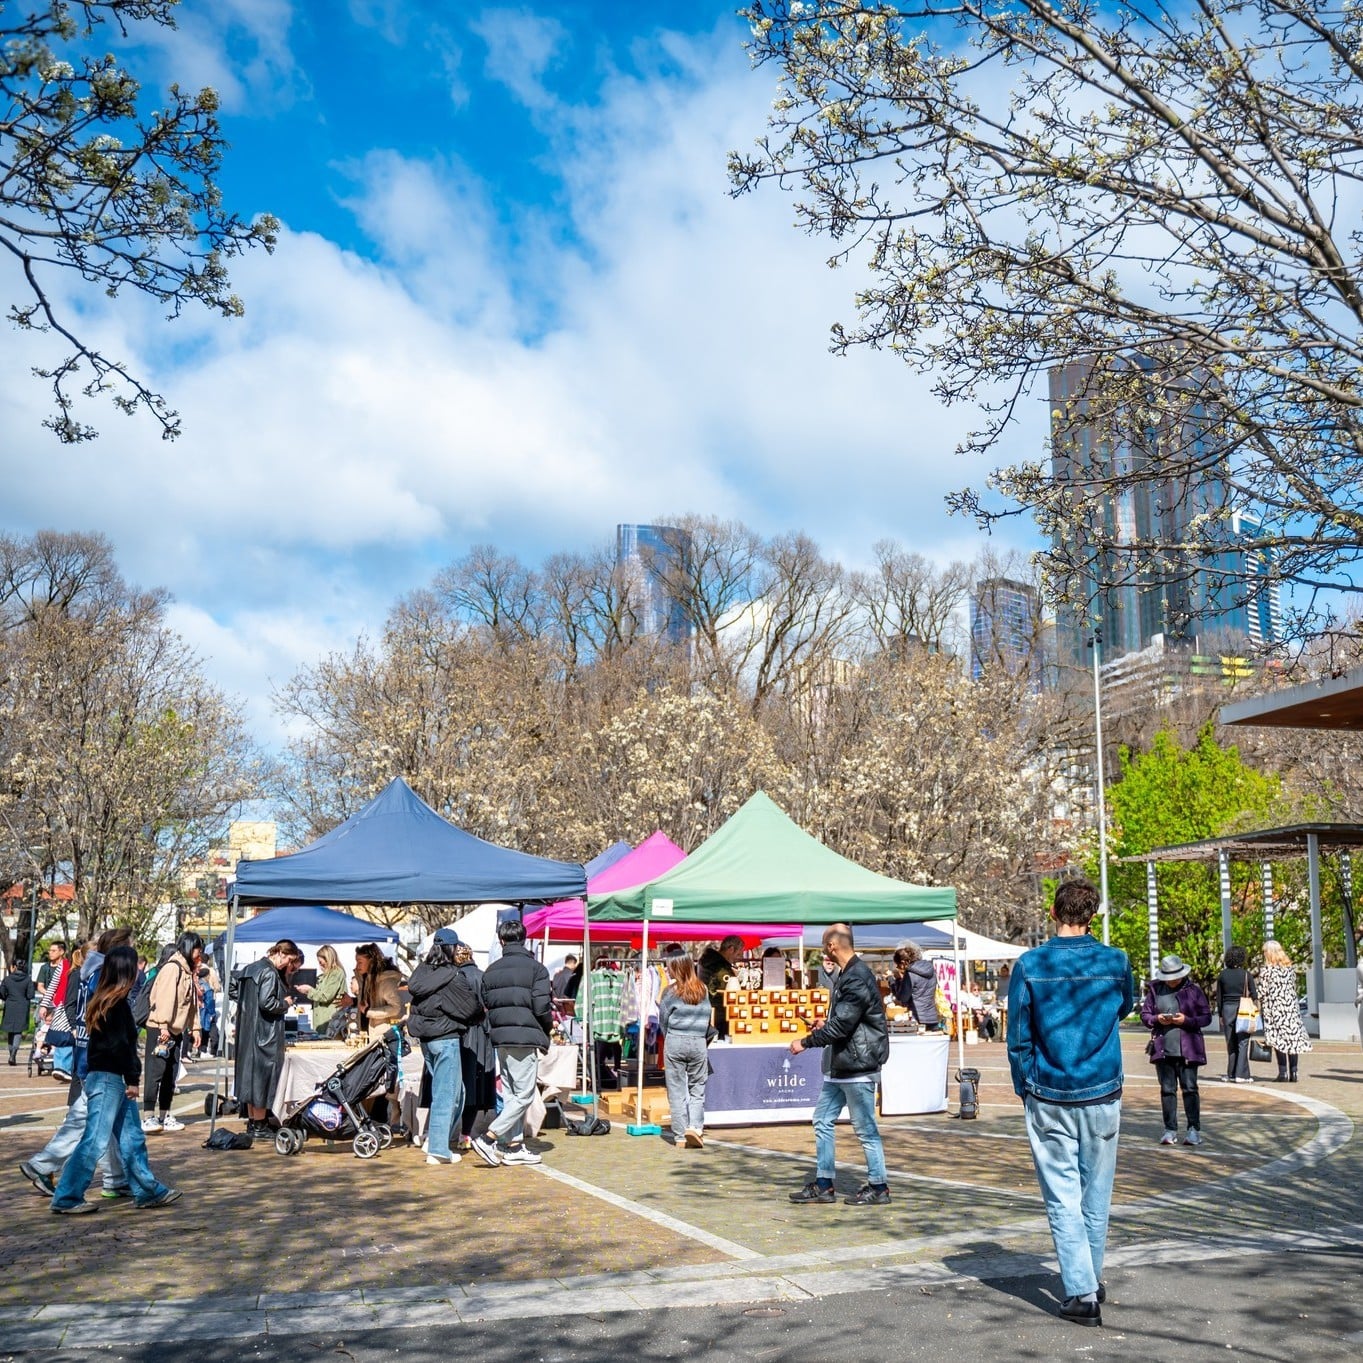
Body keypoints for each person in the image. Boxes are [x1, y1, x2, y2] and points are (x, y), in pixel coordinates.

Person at [1007, 878, 1134, 1327]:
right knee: (1095, 1194)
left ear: (1053, 911)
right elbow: (1123, 1008)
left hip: (1050, 1092)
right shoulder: (1116, 961)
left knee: (1063, 1196)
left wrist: (1025, 1085)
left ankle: (1082, 1291)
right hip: (1102, 1088)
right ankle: (1089, 1279)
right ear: (1092, 914)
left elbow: (1019, 1037)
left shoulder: (1030, 964)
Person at [50, 946, 180, 1213]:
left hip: (106, 1076)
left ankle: (147, 1190)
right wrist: (133, 1078)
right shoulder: (116, 1004)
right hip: (110, 1078)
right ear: (127, 970)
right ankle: (67, 1196)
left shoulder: (104, 999)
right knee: (95, 1140)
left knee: (132, 1137)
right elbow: (121, 1046)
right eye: (134, 967)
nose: (138, 972)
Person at [19, 928, 135, 1200]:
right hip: (98, 1060)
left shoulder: (89, 973)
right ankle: (45, 1167)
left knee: (98, 1120)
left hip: (91, 1057)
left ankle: (115, 1178)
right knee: (87, 1122)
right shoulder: (101, 976)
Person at [788, 923, 891, 1207]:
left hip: (857, 1067)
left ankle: (879, 1186)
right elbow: (847, 1021)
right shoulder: (849, 974)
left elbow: (844, 1026)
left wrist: (806, 1041)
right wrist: (825, 1024)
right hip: (841, 1065)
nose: (822, 950)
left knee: (865, 1129)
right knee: (822, 1119)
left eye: (824, 944)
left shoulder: (856, 977)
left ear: (832, 946)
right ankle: (824, 1184)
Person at [471, 918, 552, 1168]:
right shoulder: (537, 969)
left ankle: (514, 1145)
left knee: (511, 1095)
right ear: (524, 939)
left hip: (500, 1038)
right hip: (524, 1037)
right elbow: (542, 1006)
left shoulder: (491, 971)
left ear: (501, 940)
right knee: (524, 1094)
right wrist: (546, 1029)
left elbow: (486, 1004)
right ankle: (489, 1138)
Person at [407, 928, 484, 1166]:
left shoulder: (421, 972)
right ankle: (439, 1150)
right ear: (451, 949)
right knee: (447, 1094)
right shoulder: (452, 976)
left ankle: (435, 1139)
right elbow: (470, 1008)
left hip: (427, 1040)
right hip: (445, 1038)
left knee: (455, 1092)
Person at [1139, 953, 1212, 1146]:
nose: (1172, 981)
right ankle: (1170, 1129)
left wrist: (1186, 1021)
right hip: (1163, 1049)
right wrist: (1156, 1019)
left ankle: (1194, 1129)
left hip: (1188, 1049)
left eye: (1175, 977)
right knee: (1167, 1090)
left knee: (1190, 1088)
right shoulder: (1155, 990)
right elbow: (1145, 1015)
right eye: (1168, 978)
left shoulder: (1194, 991)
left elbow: (1206, 1017)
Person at [233, 939, 300, 1139]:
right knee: (261, 1079)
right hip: (265, 1033)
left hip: (248, 1031)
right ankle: (260, 1125)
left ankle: (255, 1122)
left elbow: (232, 989)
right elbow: (267, 1003)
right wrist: (285, 1003)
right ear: (279, 953)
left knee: (251, 1078)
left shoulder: (250, 969)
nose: (287, 965)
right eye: (288, 959)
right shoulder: (269, 972)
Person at [142, 932, 203, 1133]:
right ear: (188, 947)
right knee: (155, 1072)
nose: (199, 953)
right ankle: (148, 1115)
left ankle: (164, 1114)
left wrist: (195, 1028)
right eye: (197, 949)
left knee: (171, 1074)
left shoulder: (187, 971)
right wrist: (163, 1026)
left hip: (176, 1030)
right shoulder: (172, 968)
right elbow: (165, 999)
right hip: (161, 1028)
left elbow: (191, 1004)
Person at [658, 952, 712, 1148]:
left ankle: (680, 1136)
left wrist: (671, 1036)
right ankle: (696, 1128)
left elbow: (663, 1020)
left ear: (675, 968)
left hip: (675, 1041)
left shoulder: (669, 992)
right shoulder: (703, 989)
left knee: (676, 1090)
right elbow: (707, 1016)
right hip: (698, 1041)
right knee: (697, 1089)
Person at [454, 942, 496, 1152]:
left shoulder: (454, 977)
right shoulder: (482, 976)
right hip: (481, 1036)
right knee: (474, 1086)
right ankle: (466, 1134)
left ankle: (453, 1133)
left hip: (460, 1034)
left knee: (458, 1084)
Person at [1258, 940, 1311, 1082]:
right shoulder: (1290, 969)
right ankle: (1294, 1072)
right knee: (1292, 1039)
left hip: (1274, 1010)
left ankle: (1283, 1072)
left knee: (1278, 1040)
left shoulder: (1267, 971)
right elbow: (1293, 988)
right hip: (1291, 1009)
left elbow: (1261, 992)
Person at [1214, 945, 1257, 1083]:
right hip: (1243, 1009)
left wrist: (1220, 1015)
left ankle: (1231, 1073)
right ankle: (1242, 1074)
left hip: (1227, 1009)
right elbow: (1254, 994)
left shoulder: (1222, 975)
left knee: (1231, 1043)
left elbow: (1219, 998)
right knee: (1243, 1041)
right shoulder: (1246, 974)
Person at [37, 942, 74, 1079]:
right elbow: (52, 986)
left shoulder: (71, 966)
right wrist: (45, 1005)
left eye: (53, 950)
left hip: (71, 1004)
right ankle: (60, 1067)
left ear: (62, 951)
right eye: (50, 950)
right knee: (62, 1035)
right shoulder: (59, 967)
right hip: (60, 1004)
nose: (50, 953)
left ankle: (65, 1068)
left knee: (69, 1036)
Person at [295, 944, 350, 1035]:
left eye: (321, 962)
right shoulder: (325, 976)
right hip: (322, 1021)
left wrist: (309, 990)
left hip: (330, 1022)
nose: (320, 964)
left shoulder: (336, 973)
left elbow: (326, 996)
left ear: (328, 959)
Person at [698, 935, 744, 1039]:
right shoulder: (720, 968)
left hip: (706, 1013)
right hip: (718, 1018)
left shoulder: (707, 962)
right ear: (731, 949)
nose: (740, 957)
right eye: (739, 953)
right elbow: (732, 993)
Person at [353, 942, 402, 1032]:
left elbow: (395, 1008)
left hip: (382, 1034)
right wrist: (353, 1001)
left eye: (360, 962)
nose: (357, 966)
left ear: (371, 961)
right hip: (367, 1033)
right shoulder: (366, 979)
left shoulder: (386, 982)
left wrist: (369, 1011)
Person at [890, 944, 941, 1030]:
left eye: (898, 965)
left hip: (917, 1018)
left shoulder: (910, 973)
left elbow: (902, 998)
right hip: (932, 1017)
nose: (898, 968)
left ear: (903, 962)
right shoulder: (931, 970)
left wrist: (896, 980)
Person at [2, 960, 35, 1065]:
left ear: (14, 967)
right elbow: (30, 995)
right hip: (22, 1006)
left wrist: (7, 997)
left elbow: (1, 993)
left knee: (10, 1031)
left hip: (10, 1005)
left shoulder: (7, 979)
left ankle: (11, 1053)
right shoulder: (28, 979)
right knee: (18, 1031)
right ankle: (13, 1054)